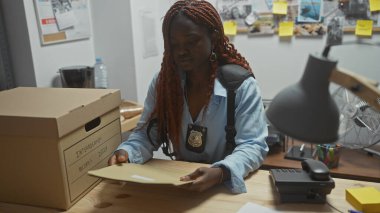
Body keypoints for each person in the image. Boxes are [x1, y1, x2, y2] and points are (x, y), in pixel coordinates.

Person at [108, 0, 268, 194]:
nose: (181, 51)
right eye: (174, 44)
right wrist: (127, 152)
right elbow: (146, 135)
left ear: (214, 37)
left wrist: (220, 172)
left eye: (191, 41)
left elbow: (253, 145)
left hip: (225, 186)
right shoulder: (164, 83)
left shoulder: (241, 86)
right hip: (180, 183)